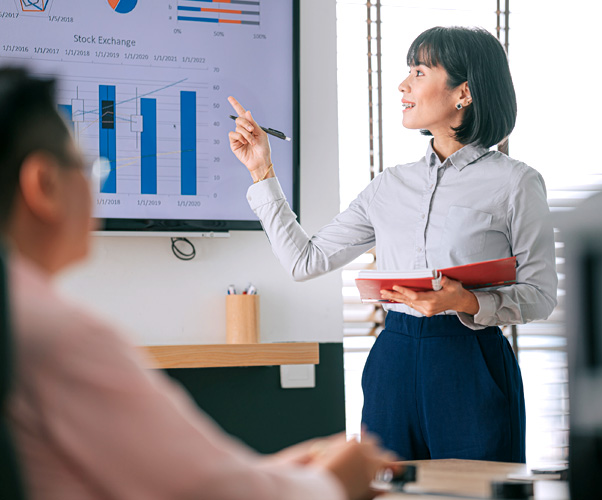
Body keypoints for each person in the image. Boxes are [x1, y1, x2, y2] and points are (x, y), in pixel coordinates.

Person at [0, 68, 398, 500]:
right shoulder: (62, 336)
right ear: (43, 184)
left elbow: (188, 478)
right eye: (84, 166)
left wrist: (272, 473)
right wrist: (336, 480)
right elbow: (212, 492)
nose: (93, 185)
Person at [228, 26, 558, 463]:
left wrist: (468, 302)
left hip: (471, 362)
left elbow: (540, 296)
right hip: (393, 360)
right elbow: (304, 261)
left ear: (464, 93)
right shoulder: (389, 185)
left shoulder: (516, 182)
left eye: (419, 72)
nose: (403, 85)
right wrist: (262, 173)